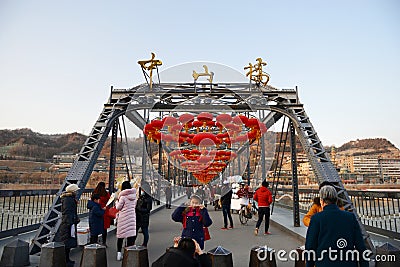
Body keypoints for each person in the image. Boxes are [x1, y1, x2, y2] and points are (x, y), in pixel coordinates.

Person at [305, 185, 368, 267]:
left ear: (322, 201)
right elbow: (361, 246)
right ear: (336, 200)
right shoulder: (350, 217)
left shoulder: (316, 219)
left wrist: (309, 265)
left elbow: (310, 247)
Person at [59, 183, 80, 267]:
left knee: (68, 241)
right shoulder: (69, 199)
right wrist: (73, 220)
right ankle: (66, 261)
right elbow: (67, 212)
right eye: (76, 190)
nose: (77, 192)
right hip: (68, 223)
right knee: (67, 241)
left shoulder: (68, 198)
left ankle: (67, 259)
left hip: (68, 222)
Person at [115, 181, 137, 261]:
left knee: (120, 237)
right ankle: (128, 254)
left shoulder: (123, 197)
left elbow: (118, 207)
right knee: (130, 236)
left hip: (123, 218)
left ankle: (119, 253)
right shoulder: (134, 197)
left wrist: (116, 201)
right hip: (131, 218)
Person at [92, 181, 111, 246]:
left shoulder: (94, 192)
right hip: (104, 211)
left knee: (96, 226)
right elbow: (109, 200)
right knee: (104, 228)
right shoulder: (106, 193)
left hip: (97, 210)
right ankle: (104, 242)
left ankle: (95, 242)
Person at [136, 182, 153, 247]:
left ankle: (144, 244)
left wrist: (139, 209)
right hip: (138, 216)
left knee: (145, 231)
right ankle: (132, 243)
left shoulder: (148, 199)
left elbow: (148, 209)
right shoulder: (141, 197)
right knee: (136, 231)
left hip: (144, 217)